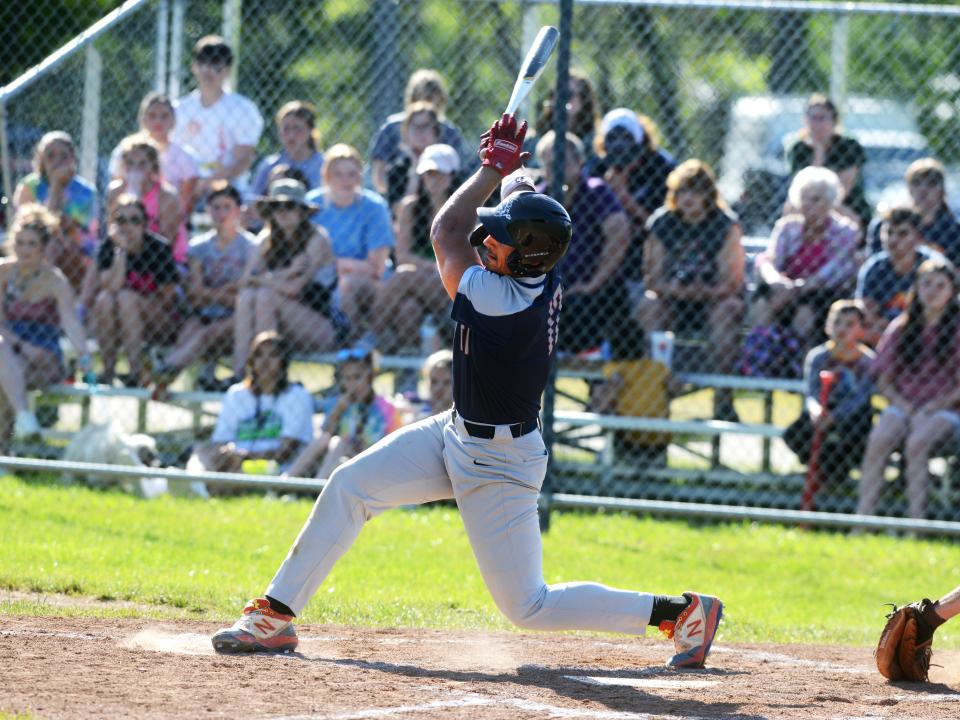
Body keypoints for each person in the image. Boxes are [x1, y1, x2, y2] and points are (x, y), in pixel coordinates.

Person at [211, 112, 723, 671]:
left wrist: (487, 167)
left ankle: (681, 615)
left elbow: (444, 232)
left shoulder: (496, 297)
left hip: (499, 463)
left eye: (500, 238)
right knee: (350, 486)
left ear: (521, 255)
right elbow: (517, 199)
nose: (487, 240)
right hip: (457, 431)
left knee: (529, 606)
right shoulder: (538, 269)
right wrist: (511, 170)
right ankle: (276, 615)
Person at [857, 259, 960, 520]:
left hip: (945, 409)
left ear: (952, 291)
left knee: (917, 443)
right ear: (916, 288)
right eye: (926, 284)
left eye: (940, 285)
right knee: (879, 439)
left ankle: (916, 522)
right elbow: (883, 380)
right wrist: (904, 406)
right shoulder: (901, 328)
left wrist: (933, 407)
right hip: (904, 404)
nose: (933, 291)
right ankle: (863, 519)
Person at [638, 159, 745, 393]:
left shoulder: (725, 225)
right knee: (649, 305)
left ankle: (723, 394)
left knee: (727, 310)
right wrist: (674, 289)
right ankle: (656, 385)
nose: (688, 198)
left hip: (714, 300)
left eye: (695, 191)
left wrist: (706, 291)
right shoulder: (662, 222)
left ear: (708, 194)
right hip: (672, 299)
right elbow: (652, 279)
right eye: (682, 191)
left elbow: (733, 281)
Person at [742, 167, 859, 377]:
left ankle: (795, 367)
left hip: (821, 294)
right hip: (783, 289)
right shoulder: (787, 227)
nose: (808, 205)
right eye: (804, 198)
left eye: (815, 199)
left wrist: (799, 287)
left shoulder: (845, 231)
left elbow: (836, 270)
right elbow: (768, 260)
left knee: (805, 309)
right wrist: (778, 282)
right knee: (762, 302)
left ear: (831, 202)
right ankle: (762, 363)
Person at [534, 130, 636, 357]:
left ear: (580, 161)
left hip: (594, 292)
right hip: (548, 290)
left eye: (563, 160)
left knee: (582, 306)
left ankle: (587, 355)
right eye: (549, 163)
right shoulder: (537, 199)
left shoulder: (596, 191)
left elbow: (619, 236)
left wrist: (592, 284)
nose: (556, 168)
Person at [151, 181, 258, 393]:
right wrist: (226, 291)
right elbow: (196, 293)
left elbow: (244, 294)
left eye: (227, 207)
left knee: (207, 335)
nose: (221, 213)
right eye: (216, 207)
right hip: (203, 314)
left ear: (238, 210)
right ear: (208, 210)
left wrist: (212, 295)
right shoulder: (198, 247)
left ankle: (165, 369)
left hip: (237, 318)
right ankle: (172, 385)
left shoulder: (251, 246)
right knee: (189, 334)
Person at [0, 205, 92, 448]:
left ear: (42, 248)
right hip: (9, 346)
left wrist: (83, 353)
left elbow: (70, 321)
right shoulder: (3, 272)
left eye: (31, 244)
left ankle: (12, 446)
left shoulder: (55, 280)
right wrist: (22, 346)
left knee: (7, 379)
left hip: (44, 351)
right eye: (20, 242)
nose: (25, 249)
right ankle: (22, 423)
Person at [233, 180, 341, 378]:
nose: (282, 212)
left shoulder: (316, 239)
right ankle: (240, 372)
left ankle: (269, 376)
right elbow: (244, 282)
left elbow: (295, 289)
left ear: (301, 211)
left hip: (321, 327)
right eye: (276, 206)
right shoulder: (267, 238)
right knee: (248, 296)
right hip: (279, 323)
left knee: (265, 295)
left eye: (289, 206)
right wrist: (287, 272)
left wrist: (264, 279)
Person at [188, 331, 313, 485]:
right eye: (259, 355)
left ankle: (202, 487)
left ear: (284, 362)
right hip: (234, 463)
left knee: (233, 474)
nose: (265, 361)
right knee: (200, 450)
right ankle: (193, 484)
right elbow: (221, 441)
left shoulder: (297, 396)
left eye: (273, 355)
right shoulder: (236, 394)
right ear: (251, 361)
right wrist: (229, 455)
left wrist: (244, 456)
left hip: (274, 468)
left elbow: (286, 451)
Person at [369, 143, 459, 354]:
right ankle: (407, 371)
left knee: (405, 275)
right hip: (423, 281)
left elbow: (459, 263)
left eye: (439, 174)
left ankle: (370, 338)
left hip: (451, 288)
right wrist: (434, 268)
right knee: (407, 309)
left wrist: (430, 269)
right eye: (428, 174)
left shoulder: (464, 210)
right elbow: (402, 256)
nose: (433, 180)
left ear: (452, 175)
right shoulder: (410, 207)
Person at [782, 300, 875, 499]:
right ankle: (825, 475)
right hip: (822, 409)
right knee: (795, 433)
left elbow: (860, 398)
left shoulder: (867, 361)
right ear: (827, 326)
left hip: (852, 416)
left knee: (853, 437)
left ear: (861, 330)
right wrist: (816, 410)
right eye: (837, 322)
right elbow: (811, 391)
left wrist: (835, 417)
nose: (842, 328)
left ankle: (833, 476)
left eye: (850, 324)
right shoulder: (818, 357)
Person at [306, 144, 394, 341]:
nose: (346, 181)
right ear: (327, 176)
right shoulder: (312, 205)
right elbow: (304, 258)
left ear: (360, 177)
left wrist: (332, 265)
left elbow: (376, 267)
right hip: (320, 282)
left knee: (347, 285)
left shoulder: (374, 207)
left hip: (369, 283)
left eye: (352, 174)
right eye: (338, 174)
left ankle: (352, 349)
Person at [590, 108, 676, 306]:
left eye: (627, 138)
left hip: (646, 253)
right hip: (602, 251)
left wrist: (623, 197)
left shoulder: (661, 167)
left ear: (639, 140)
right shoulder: (597, 166)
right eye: (613, 138)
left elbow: (666, 228)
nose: (620, 145)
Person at [92, 195, 180, 386]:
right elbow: (110, 287)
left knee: (126, 298)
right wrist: (121, 252)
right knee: (105, 300)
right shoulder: (109, 246)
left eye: (134, 220)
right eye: (121, 220)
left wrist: (139, 301)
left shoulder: (159, 248)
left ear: (144, 225)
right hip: (118, 320)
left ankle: (135, 371)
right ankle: (108, 371)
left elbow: (168, 299)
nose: (127, 226)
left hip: (158, 321)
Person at [285, 347, 400, 481]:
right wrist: (337, 411)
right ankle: (287, 479)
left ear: (370, 376)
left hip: (373, 462)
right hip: (342, 459)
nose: (352, 384)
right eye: (347, 378)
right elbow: (324, 434)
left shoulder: (386, 408)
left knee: (339, 442)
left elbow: (394, 447)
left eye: (357, 377)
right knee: (333, 440)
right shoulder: (340, 403)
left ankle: (318, 485)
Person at [172, 35, 264, 199]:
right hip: (184, 186)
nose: (208, 70)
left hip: (229, 188)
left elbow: (244, 159)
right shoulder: (179, 109)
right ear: (194, 66)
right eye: (203, 62)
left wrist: (209, 183)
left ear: (227, 70)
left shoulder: (243, 109)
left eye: (216, 64)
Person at [12, 131, 98, 295]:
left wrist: (57, 186)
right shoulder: (29, 186)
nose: (57, 161)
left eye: (64, 156)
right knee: (46, 245)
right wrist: (55, 187)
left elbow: (86, 236)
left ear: (73, 159)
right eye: (50, 156)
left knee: (53, 245)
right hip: (32, 247)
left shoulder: (86, 191)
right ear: (41, 160)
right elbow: (30, 227)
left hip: (74, 254)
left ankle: (38, 293)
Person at [368, 68, 468, 197]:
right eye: (422, 97)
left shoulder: (449, 132)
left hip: (439, 196)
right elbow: (378, 173)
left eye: (431, 97)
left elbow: (457, 174)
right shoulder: (392, 127)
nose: (427, 104)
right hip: (399, 194)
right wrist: (391, 198)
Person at [108, 92, 198, 226]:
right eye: (152, 115)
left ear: (174, 121)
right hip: (128, 219)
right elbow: (117, 187)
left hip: (167, 220)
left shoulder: (184, 157)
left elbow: (186, 200)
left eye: (164, 116)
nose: (158, 121)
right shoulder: (124, 150)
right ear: (142, 119)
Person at [856, 206, 939, 346]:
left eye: (902, 234)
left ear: (918, 237)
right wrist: (894, 330)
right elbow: (867, 313)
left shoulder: (933, 266)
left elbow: (941, 312)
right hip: (885, 333)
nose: (893, 239)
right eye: (889, 232)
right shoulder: (874, 268)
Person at [786, 93, 870, 230]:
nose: (816, 124)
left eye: (822, 118)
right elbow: (804, 189)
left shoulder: (848, 146)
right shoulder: (798, 147)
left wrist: (820, 206)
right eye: (812, 118)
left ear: (834, 121)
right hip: (809, 203)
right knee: (790, 208)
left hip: (845, 204)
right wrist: (818, 153)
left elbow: (841, 191)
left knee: (850, 219)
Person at [106, 135, 187, 264]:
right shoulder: (115, 191)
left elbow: (167, 240)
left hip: (159, 260)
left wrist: (136, 196)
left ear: (153, 166)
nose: (135, 168)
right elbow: (112, 228)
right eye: (130, 163)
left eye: (142, 163)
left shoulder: (167, 196)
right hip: (124, 253)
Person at [866, 159, 960, 265]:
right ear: (908, 188)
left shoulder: (954, 230)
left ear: (942, 191)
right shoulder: (885, 226)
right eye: (916, 182)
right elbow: (874, 262)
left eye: (931, 183)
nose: (923, 189)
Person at [250, 100, 325, 199]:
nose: (291, 135)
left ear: (310, 130)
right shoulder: (269, 166)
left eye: (297, 128)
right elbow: (253, 203)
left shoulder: (324, 165)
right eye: (286, 128)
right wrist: (269, 187)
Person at [532, 68, 601, 168]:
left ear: (583, 101)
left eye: (568, 94)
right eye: (556, 93)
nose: (560, 99)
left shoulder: (593, 143)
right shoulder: (534, 138)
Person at [382, 101, 443, 211]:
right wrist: (415, 170)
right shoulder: (397, 169)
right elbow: (398, 213)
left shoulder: (446, 165)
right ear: (406, 132)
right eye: (414, 126)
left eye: (425, 126)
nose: (420, 132)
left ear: (436, 131)